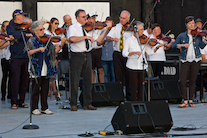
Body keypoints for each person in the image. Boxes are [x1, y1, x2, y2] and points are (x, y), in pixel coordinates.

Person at [68, 9, 112, 111]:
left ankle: (87, 103)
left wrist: (105, 29)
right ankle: (73, 103)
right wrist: (85, 37)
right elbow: (72, 39)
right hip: (76, 55)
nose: (86, 19)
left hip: (88, 54)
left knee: (88, 80)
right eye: (83, 17)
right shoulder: (73, 28)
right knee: (75, 80)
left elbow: (99, 40)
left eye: (85, 17)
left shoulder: (90, 29)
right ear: (77, 18)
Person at [27, 21, 66, 115]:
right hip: (36, 67)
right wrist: (38, 49)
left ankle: (45, 108)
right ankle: (34, 108)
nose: (43, 31)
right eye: (41, 29)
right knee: (35, 89)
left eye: (43, 29)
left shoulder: (47, 41)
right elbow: (27, 53)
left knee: (45, 89)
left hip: (46, 67)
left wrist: (62, 44)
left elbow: (54, 52)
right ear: (35, 31)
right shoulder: (31, 40)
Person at [172, 16, 207, 107]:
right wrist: (182, 45)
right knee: (183, 80)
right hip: (185, 59)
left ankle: (190, 100)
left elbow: (202, 46)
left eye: (193, 23)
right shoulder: (182, 35)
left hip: (196, 59)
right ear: (186, 25)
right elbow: (174, 45)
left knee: (192, 80)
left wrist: (205, 39)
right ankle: (185, 100)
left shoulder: (197, 35)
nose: (192, 25)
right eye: (190, 23)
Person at [122, 21, 160, 101]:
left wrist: (156, 47)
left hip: (142, 67)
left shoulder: (144, 40)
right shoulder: (129, 40)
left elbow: (150, 52)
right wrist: (133, 53)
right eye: (141, 29)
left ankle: (141, 102)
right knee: (133, 86)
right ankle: (133, 103)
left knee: (141, 87)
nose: (143, 31)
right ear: (135, 30)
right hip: (132, 67)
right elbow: (124, 53)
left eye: (143, 29)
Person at [7, 9, 33, 109]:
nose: (23, 17)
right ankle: (14, 101)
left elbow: (32, 34)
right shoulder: (11, 26)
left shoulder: (25, 27)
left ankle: (21, 101)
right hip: (16, 56)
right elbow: (13, 35)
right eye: (21, 15)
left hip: (25, 55)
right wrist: (25, 34)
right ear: (16, 16)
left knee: (24, 80)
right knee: (15, 80)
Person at [105, 10, 133, 101]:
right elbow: (107, 38)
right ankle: (119, 96)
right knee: (118, 75)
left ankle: (129, 95)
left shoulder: (131, 28)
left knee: (129, 75)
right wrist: (113, 38)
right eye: (120, 17)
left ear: (128, 19)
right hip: (117, 53)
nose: (121, 19)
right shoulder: (116, 27)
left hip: (128, 54)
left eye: (123, 18)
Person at [45, 17, 66, 96]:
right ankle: (48, 90)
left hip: (58, 52)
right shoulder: (47, 32)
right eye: (55, 23)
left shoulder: (59, 33)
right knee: (50, 71)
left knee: (55, 71)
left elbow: (63, 40)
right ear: (51, 23)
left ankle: (54, 89)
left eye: (58, 23)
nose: (57, 25)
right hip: (51, 53)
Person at [87, 12, 104, 83]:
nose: (94, 20)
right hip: (90, 50)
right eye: (92, 18)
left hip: (99, 50)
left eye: (94, 18)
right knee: (91, 70)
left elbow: (101, 41)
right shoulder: (86, 28)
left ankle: (102, 86)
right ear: (88, 19)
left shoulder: (100, 28)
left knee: (101, 69)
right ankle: (92, 86)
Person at [0, 21, 14, 100]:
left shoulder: (11, 34)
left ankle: (10, 94)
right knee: (5, 76)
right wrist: (8, 41)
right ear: (3, 27)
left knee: (11, 77)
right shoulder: (2, 35)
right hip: (4, 57)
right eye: (6, 26)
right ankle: (3, 95)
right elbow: (0, 46)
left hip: (11, 57)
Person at [100, 16, 115, 83]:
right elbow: (100, 42)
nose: (108, 26)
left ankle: (114, 89)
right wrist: (104, 39)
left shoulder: (114, 31)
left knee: (113, 75)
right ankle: (107, 90)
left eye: (109, 24)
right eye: (107, 24)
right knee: (106, 75)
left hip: (112, 57)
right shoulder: (103, 31)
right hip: (104, 57)